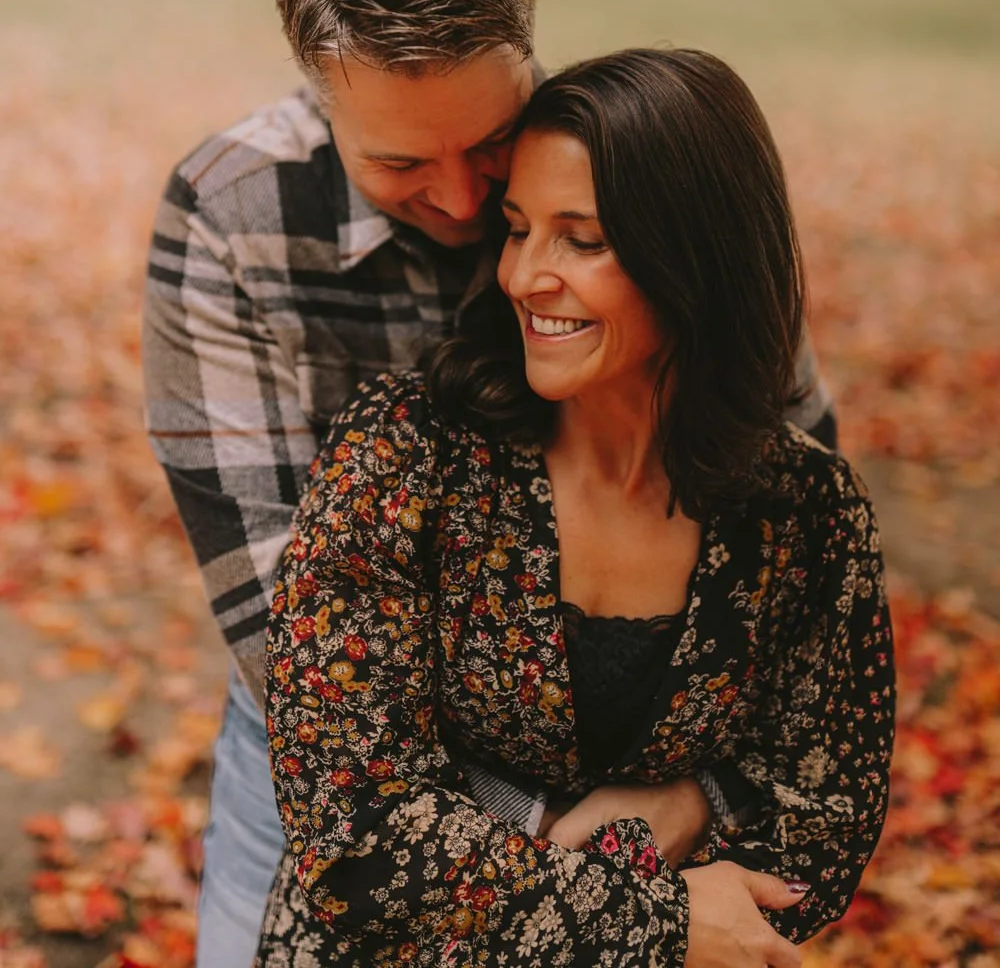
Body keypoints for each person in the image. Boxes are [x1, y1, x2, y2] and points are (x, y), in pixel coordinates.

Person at [142, 0, 836, 967]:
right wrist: (578, 863)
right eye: (402, 161)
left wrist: (697, 791)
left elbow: (790, 512)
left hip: (646, 758)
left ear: (523, 42)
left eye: (490, 144)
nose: (466, 204)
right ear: (317, 84)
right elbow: (289, 638)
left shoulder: (650, 177)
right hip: (345, 793)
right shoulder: (231, 222)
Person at [254, 49, 894, 968]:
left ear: (697, 257)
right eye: (517, 229)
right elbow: (357, 836)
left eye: (581, 240)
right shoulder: (407, 452)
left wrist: (698, 802)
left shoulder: (804, 509)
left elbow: (824, 817)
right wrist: (661, 921)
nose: (523, 277)